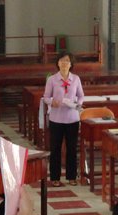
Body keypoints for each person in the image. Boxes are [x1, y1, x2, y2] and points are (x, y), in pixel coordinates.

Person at [43, 51, 84, 187]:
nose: (64, 63)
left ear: (71, 64)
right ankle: (55, 177)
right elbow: (46, 97)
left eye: (67, 61)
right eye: (62, 60)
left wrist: (78, 104)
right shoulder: (52, 79)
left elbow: (81, 96)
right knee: (55, 148)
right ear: (58, 63)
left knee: (72, 148)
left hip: (72, 118)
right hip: (56, 119)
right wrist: (51, 102)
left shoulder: (76, 79)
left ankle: (72, 177)